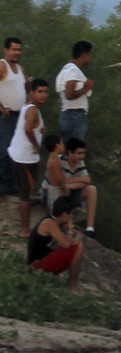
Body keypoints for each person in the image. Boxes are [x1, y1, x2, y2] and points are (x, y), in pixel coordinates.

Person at [8, 78, 48, 238]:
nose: (43, 95)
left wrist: (40, 130)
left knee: (25, 191)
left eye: (45, 91)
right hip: (25, 159)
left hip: (17, 154)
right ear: (31, 93)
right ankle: (25, 230)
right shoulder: (32, 109)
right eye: (39, 91)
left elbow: (32, 126)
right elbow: (27, 128)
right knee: (26, 194)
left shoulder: (28, 106)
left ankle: (24, 226)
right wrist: (36, 144)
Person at [28, 195, 84, 294]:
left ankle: (74, 283)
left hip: (41, 261)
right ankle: (72, 286)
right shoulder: (49, 223)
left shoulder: (56, 221)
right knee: (79, 247)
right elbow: (66, 244)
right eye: (71, 214)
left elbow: (74, 236)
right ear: (63, 213)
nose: (72, 217)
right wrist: (70, 231)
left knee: (76, 244)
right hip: (36, 267)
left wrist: (70, 231)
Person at [0, 37, 27, 196]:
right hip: (6, 116)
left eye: (19, 49)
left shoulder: (20, 68)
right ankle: (4, 184)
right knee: (4, 150)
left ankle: (11, 184)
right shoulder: (2, 65)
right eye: (14, 49)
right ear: (6, 50)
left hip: (19, 116)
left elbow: (26, 87)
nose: (17, 52)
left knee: (16, 150)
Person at [56, 40, 93, 144]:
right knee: (74, 150)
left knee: (68, 149)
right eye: (89, 54)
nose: (90, 58)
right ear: (84, 54)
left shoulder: (66, 69)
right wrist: (87, 88)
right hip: (75, 116)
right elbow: (69, 94)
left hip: (70, 115)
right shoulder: (73, 71)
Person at [59, 138, 97, 238]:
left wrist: (68, 184)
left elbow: (87, 180)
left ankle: (90, 228)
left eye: (83, 153)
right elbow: (58, 183)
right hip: (58, 193)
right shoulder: (60, 162)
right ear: (70, 153)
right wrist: (79, 180)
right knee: (63, 191)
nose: (82, 156)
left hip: (72, 191)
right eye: (79, 153)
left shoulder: (80, 162)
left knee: (92, 189)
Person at [41, 135, 66, 211]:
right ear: (57, 145)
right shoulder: (55, 161)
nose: (63, 145)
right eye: (62, 143)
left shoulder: (50, 159)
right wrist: (64, 190)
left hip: (52, 190)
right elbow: (59, 178)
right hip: (56, 191)